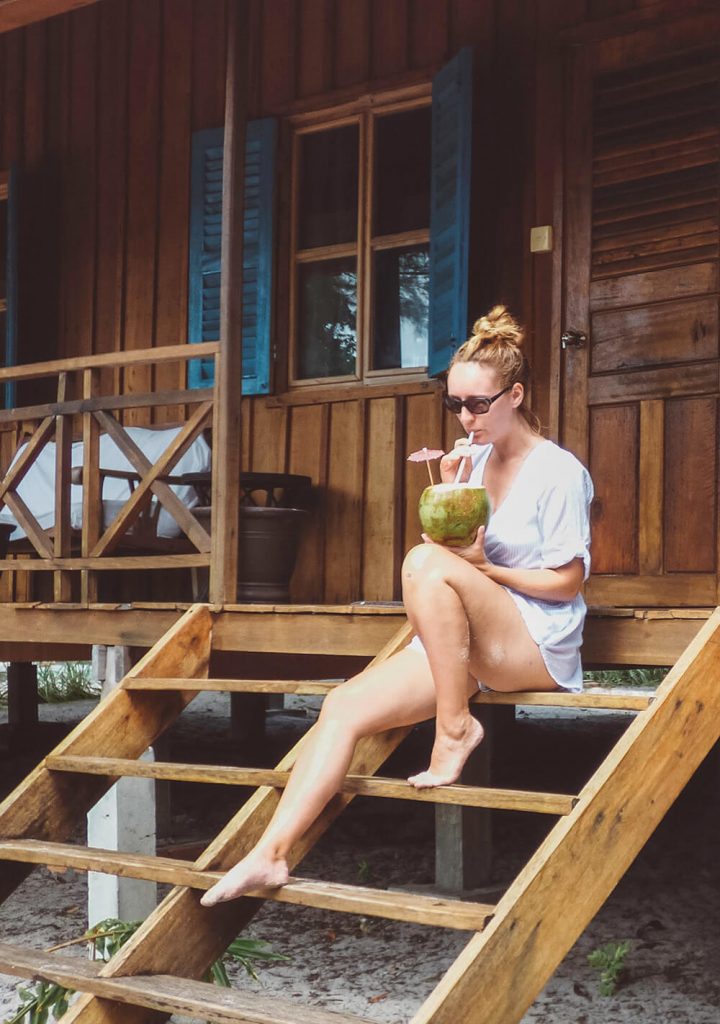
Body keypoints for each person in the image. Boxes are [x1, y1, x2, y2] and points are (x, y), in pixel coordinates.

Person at [201, 305, 593, 907]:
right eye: (455, 405)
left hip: (532, 642)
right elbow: (449, 558)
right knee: (343, 706)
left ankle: (454, 727)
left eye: (479, 404)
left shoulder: (559, 472)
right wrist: (450, 496)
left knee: (418, 561)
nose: (466, 417)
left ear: (515, 395)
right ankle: (269, 855)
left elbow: (566, 582)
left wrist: (484, 567)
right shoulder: (474, 462)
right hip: (469, 639)